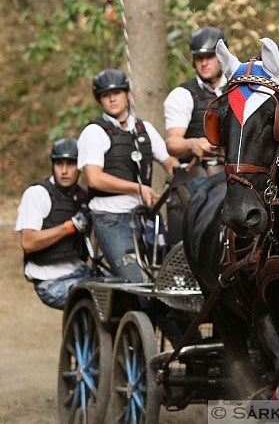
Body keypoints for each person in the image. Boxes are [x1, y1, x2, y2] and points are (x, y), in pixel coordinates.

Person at [77, 68, 177, 283]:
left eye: (117, 92)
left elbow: (170, 161)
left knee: (166, 277)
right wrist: (137, 188)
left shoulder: (144, 129)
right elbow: (94, 178)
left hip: (145, 217)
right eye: (106, 95)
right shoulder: (94, 132)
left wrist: (178, 175)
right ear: (100, 100)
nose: (112, 98)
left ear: (127, 94)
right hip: (110, 218)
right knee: (136, 281)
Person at [16, 138, 91, 309]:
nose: (64, 171)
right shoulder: (38, 194)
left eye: (71, 164)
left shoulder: (84, 197)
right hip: (50, 281)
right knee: (95, 301)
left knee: (124, 292)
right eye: (59, 164)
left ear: (80, 167)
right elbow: (28, 242)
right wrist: (70, 226)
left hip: (81, 271)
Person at [164, 26, 228, 190]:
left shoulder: (238, 90)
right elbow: (172, 142)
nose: (204, 63)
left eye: (209, 56)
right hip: (199, 176)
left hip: (236, 174)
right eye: (199, 58)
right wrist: (193, 144)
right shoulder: (182, 95)